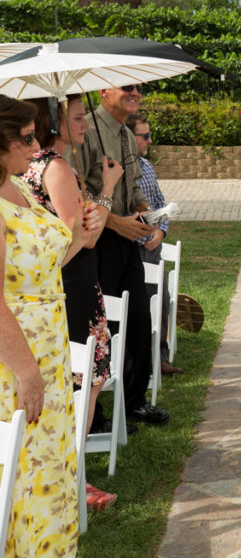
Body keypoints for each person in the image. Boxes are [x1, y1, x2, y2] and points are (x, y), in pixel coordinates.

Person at [0, 95, 100, 558]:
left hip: (48, 353)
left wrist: (83, 234)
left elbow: (43, 268)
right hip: (15, 367)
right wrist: (28, 373)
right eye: (23, 138)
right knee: (24, 472)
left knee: (49, 468)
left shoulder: (17, 184)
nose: (36, 144)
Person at [22, 94, 122, 511]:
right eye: (77, 117)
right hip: (72, 287)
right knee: (86, 382)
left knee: (78, 382)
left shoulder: (29, 168)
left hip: (58, 288)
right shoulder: (56, 166)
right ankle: (74, 478)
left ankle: (64, 476)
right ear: (54, 121)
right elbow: (80, 238)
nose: (84, 124)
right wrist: (108, 190)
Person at [77, 84, 168, 425]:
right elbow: (78, 191)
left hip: (129, 239)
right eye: (127, 88)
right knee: (104, 323)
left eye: (139, 88)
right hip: (98, 240)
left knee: (138, 320)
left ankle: (133, 402)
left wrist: (143, 211)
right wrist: (116, 223)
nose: (135, 93)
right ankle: (96, 412)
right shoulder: (86, 130)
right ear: (102, 92)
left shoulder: (128, 136)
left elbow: (133, 189)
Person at [125, 112, 180, 375]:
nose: (149, 140)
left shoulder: (147, 166)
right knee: (137, 306)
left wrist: (161, 233)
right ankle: (135, 362)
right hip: (131, 250)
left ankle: (160, 358)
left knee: (161, 300)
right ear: (128, 136)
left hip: (153, 248)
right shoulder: (117, 170)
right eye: (144, 135)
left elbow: (162, 206)